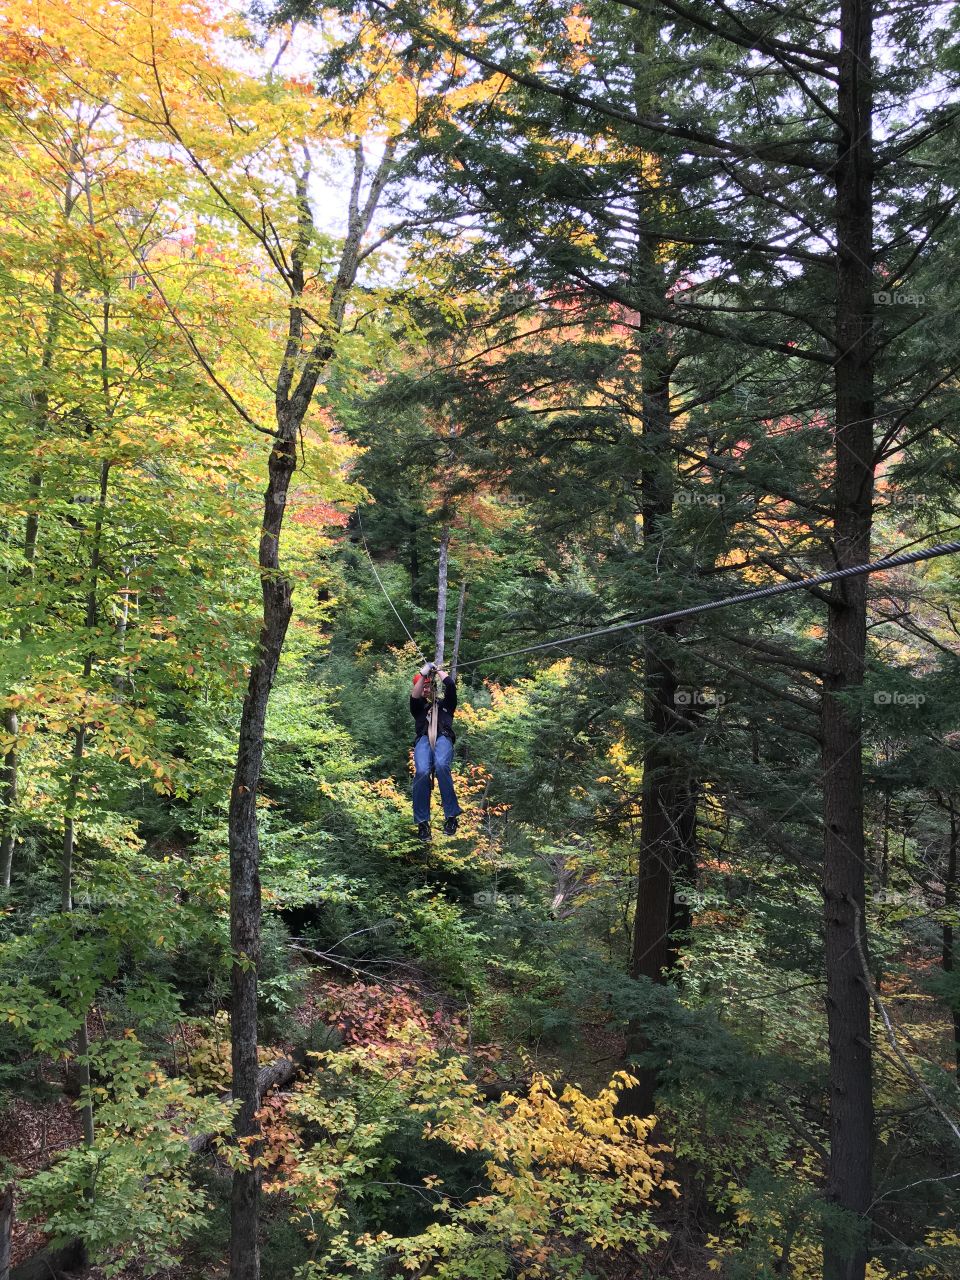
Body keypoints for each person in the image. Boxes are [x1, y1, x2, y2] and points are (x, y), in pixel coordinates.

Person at [410, 661, 463, 840]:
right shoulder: (419, 708)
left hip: (443, 737)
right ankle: (422, 823)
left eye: (427, 687)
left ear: (433, 687)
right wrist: (422, 674)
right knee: (422, 771)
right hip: (424, 739)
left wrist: (439, 671)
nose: (425, 690)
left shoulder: (446, 704)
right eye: (422, 687)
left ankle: (451, 817)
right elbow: (415, 695)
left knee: (441, 765)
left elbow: (450, 685)